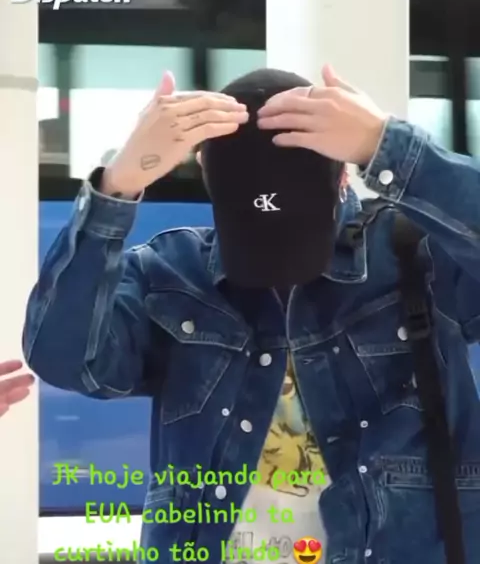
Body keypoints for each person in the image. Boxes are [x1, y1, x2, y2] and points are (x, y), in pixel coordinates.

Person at [23, 65, 480, 564]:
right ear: (207, 175)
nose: (277, 263)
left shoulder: (416, 260)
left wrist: (387, 145)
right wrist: (118, 185)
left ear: (343, 178)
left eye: (297, 232)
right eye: (254, 235)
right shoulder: (172, 274)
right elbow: (64, 358)